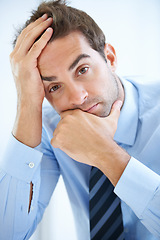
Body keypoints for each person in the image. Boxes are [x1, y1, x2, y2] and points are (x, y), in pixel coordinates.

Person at [0, 0, 160, 239]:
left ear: (110, 57)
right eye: (54, 87)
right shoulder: (49, 126)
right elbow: (9, 233)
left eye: (82, 70)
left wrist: (106, 155)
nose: (77, 97)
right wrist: (27, 103)